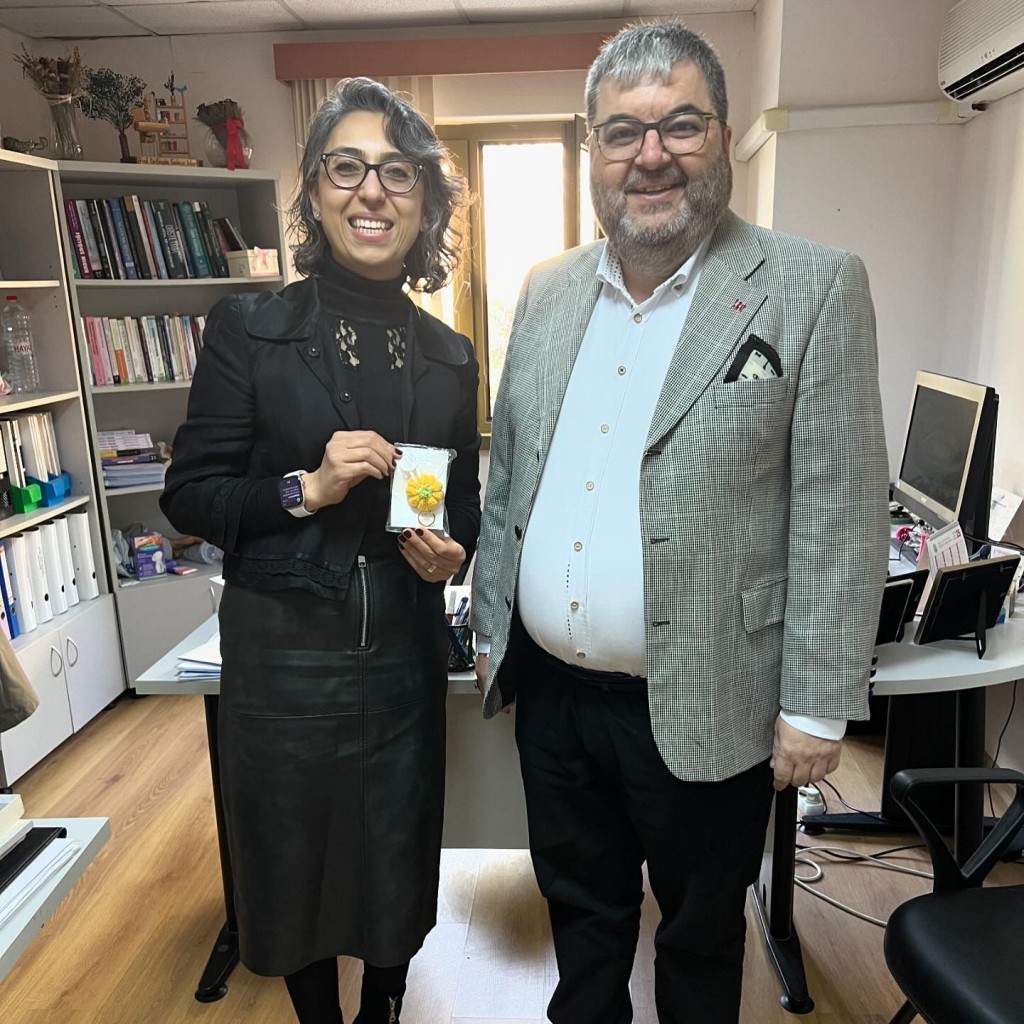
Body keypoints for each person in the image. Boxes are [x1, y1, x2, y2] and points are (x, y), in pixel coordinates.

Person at [471, 21, 889, 1024]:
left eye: (680, 126)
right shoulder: (546, 288)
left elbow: (839, 510)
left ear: (725, 138)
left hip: (708, 696)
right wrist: (491, 625)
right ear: (592, 150)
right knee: (580, 918)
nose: (649, 154)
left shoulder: (812, 285)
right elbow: (512, 474)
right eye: (622, 132)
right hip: (553, 698)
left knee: (699, 938)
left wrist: (817, 705)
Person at [161, 78, 480, 1024]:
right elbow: (191, 496)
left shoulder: (450, 356)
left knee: (397, 849)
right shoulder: (249, 332)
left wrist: (452, 556)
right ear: (313, 189)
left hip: (405, 651)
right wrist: (305, 488)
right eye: (348, 167)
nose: (372, 190)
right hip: (284, 654)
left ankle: (383, 1007)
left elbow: (460, 504)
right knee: (292, 857)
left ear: (423, 202)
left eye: (398, 172)